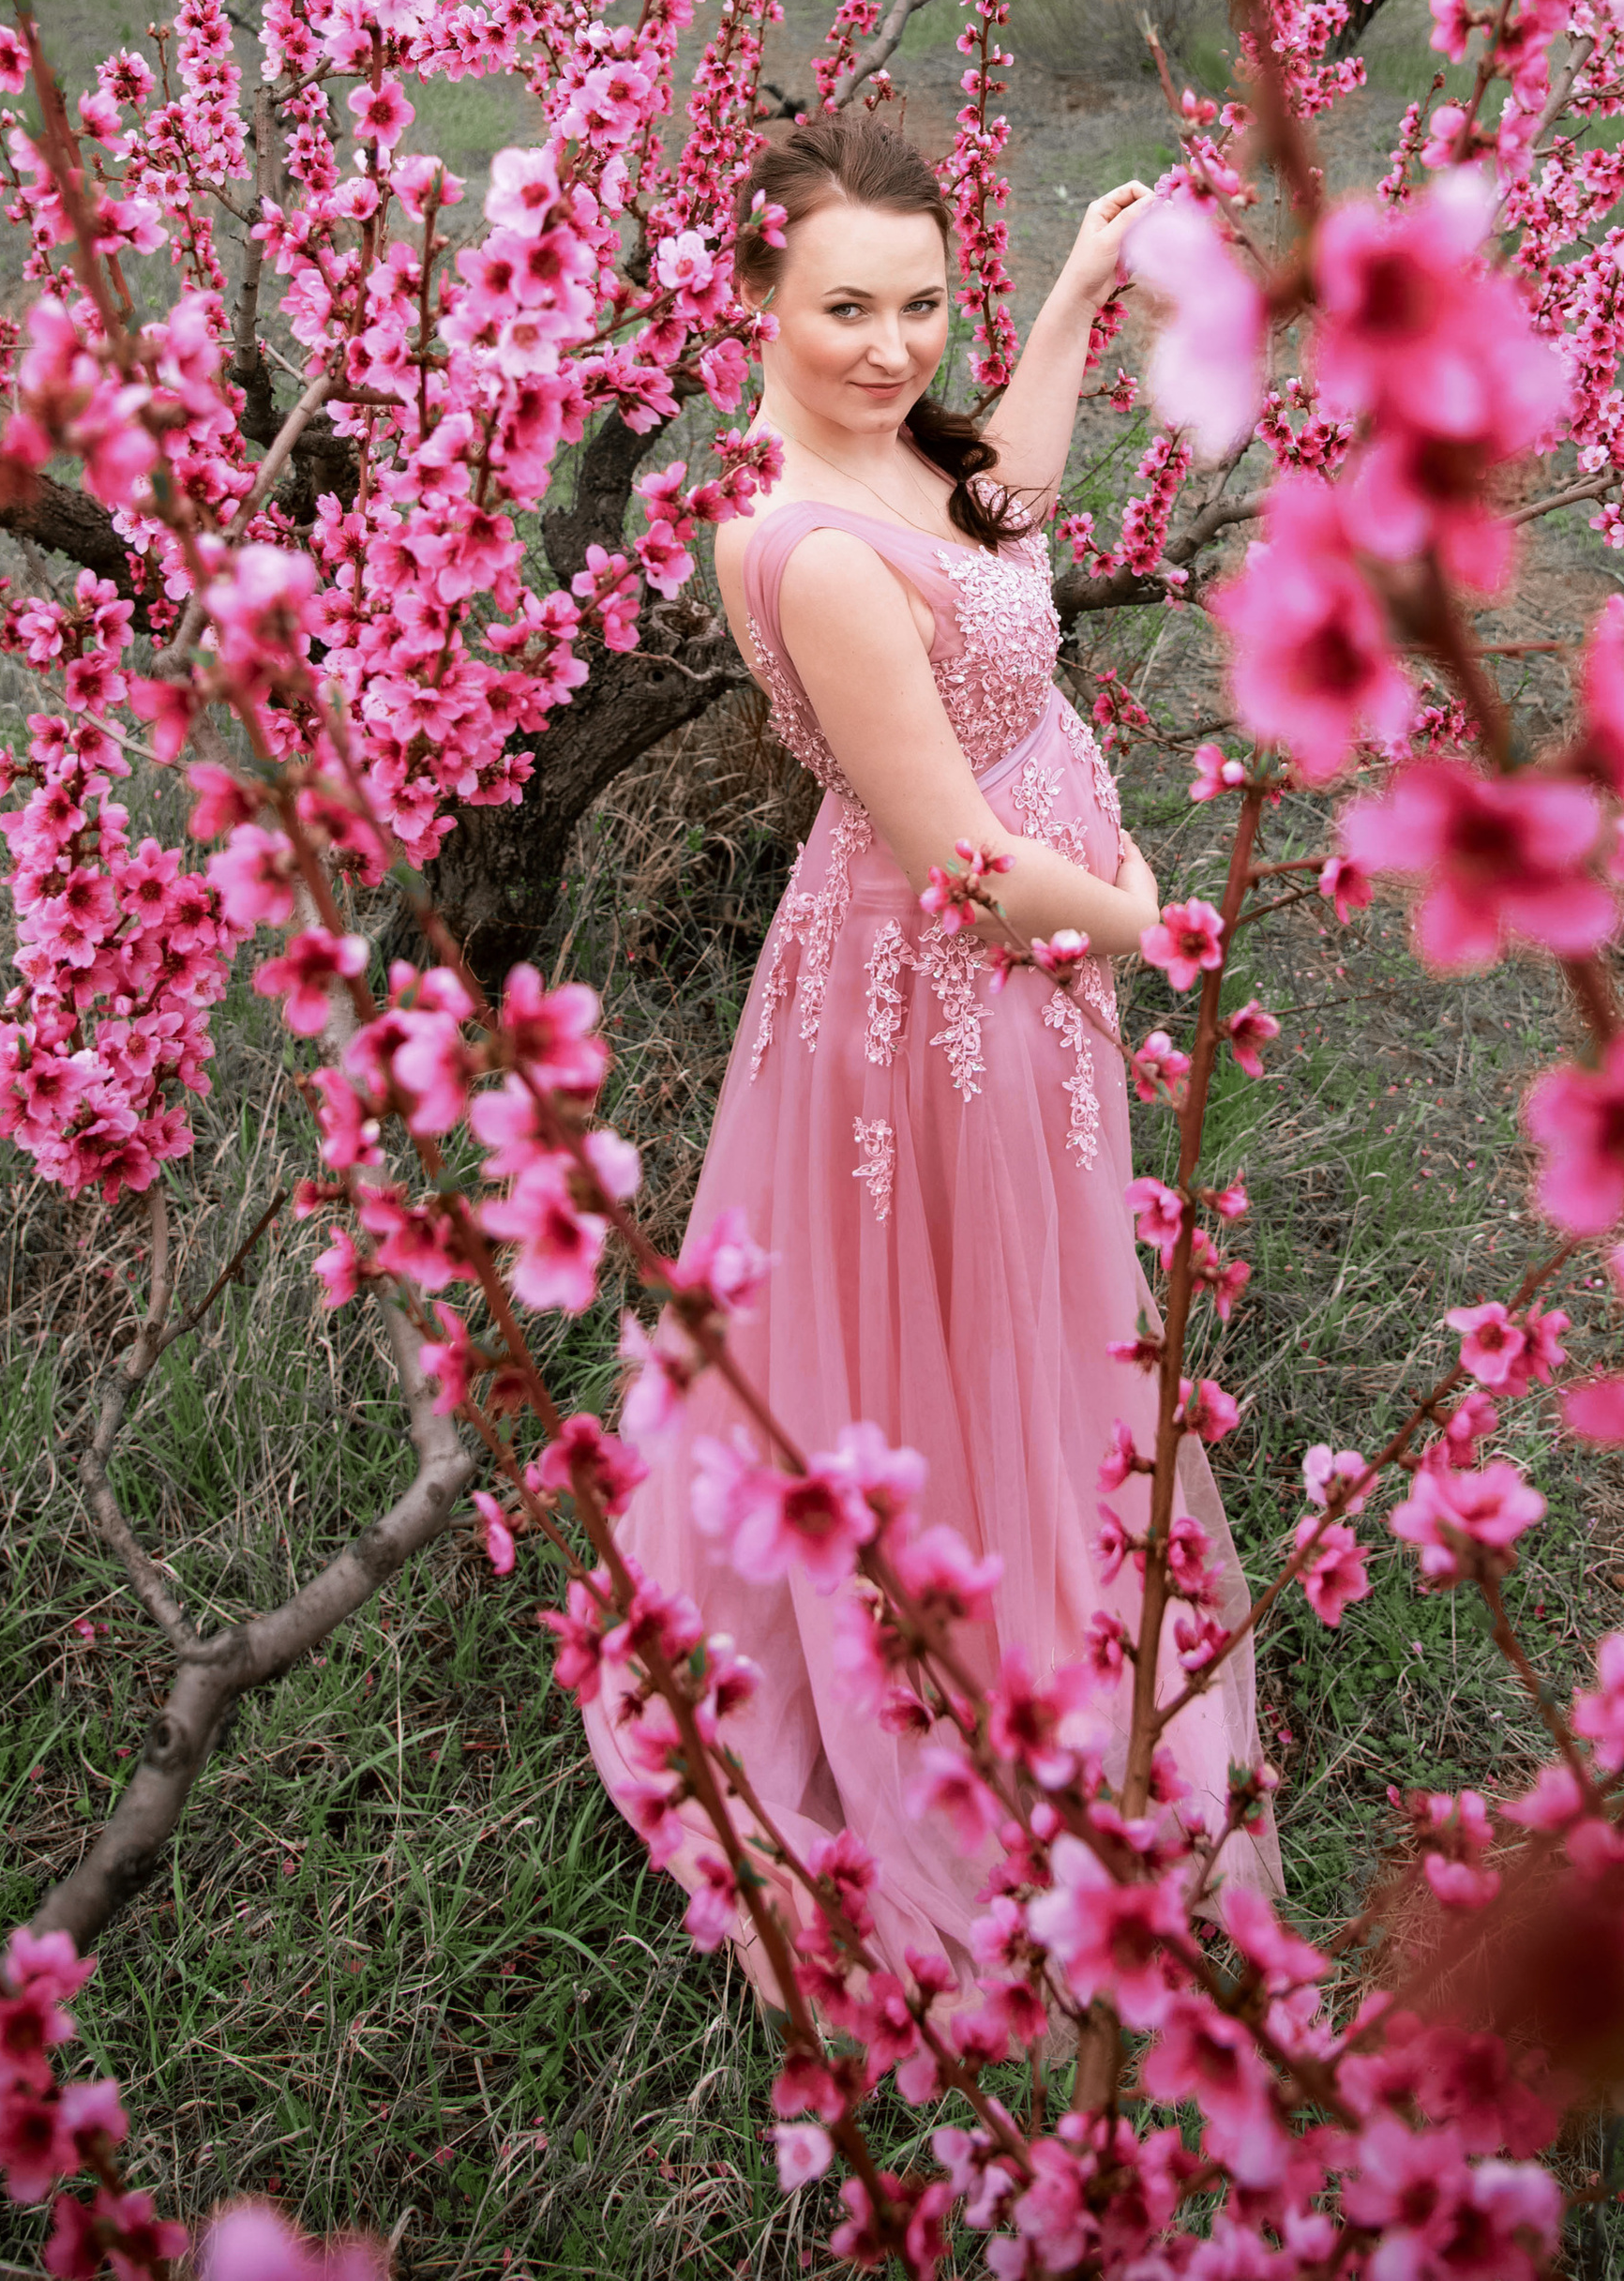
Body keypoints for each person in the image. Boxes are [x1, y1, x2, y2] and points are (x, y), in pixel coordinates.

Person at [583, 111, 1273, 2003]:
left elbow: (1004, 520)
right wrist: (1147, 908)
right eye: (841, 309)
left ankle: (1015, 1569)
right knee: (959, 1307)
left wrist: (1054, 298)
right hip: (960, 971)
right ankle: (956, 1656)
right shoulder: (798, 548)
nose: (890, 345)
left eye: (919, 303)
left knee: (1030, 1294)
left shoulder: (900, 455)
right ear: (749, 300)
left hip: (1031, 938)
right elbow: (965, 869)